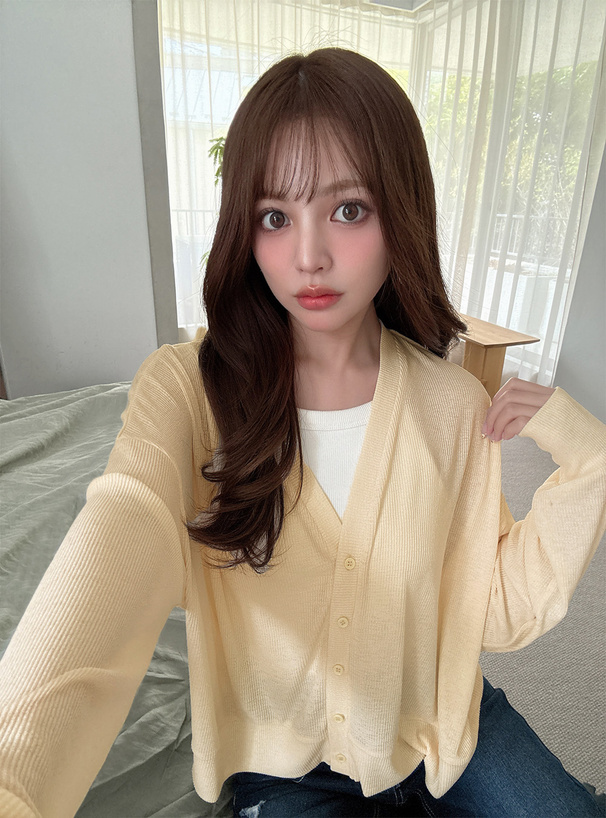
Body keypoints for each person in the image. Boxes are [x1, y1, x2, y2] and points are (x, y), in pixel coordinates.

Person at [0, 48, 604, 818]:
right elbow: (121, 530)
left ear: (400, 213)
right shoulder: (187, 391)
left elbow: (491, 607)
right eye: (274, 217)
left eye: (348, 210)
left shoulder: (452, 403)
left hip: (443, 719)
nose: (308, 256)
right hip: (285, 764)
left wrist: (590, 459)